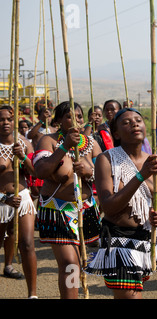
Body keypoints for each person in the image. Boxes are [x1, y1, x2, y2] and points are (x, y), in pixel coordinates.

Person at [85, 107, 157, 299]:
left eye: (138, 120)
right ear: (116, 134)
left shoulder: (152, 161)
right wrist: (141, 176)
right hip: (117, 238)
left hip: (144, 239)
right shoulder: (106, 159)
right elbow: (108, 206)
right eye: (126, 122)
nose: (134, 124)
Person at [33, 101, 102, 299]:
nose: (76, 120)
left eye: (79, 116)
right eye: (70, 116)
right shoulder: (48, 141)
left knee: (79, 263)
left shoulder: (91, 143)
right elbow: (41, 170)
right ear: (59, 121)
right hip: (57, 210)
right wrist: (64, 147)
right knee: (70, 264)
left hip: (85, 209)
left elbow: (108, 175)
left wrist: (90, 172)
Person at [0, 106, 38, 298]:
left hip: (22, 199)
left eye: (9, 119)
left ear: (14, 121)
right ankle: (7, 265)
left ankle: (32, 294)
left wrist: (22, 157)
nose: (5, 122)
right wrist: (3, 198)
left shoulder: (24, 143)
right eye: (1, 119)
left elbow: (35, 173)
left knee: (27, 243)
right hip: (0, 201)